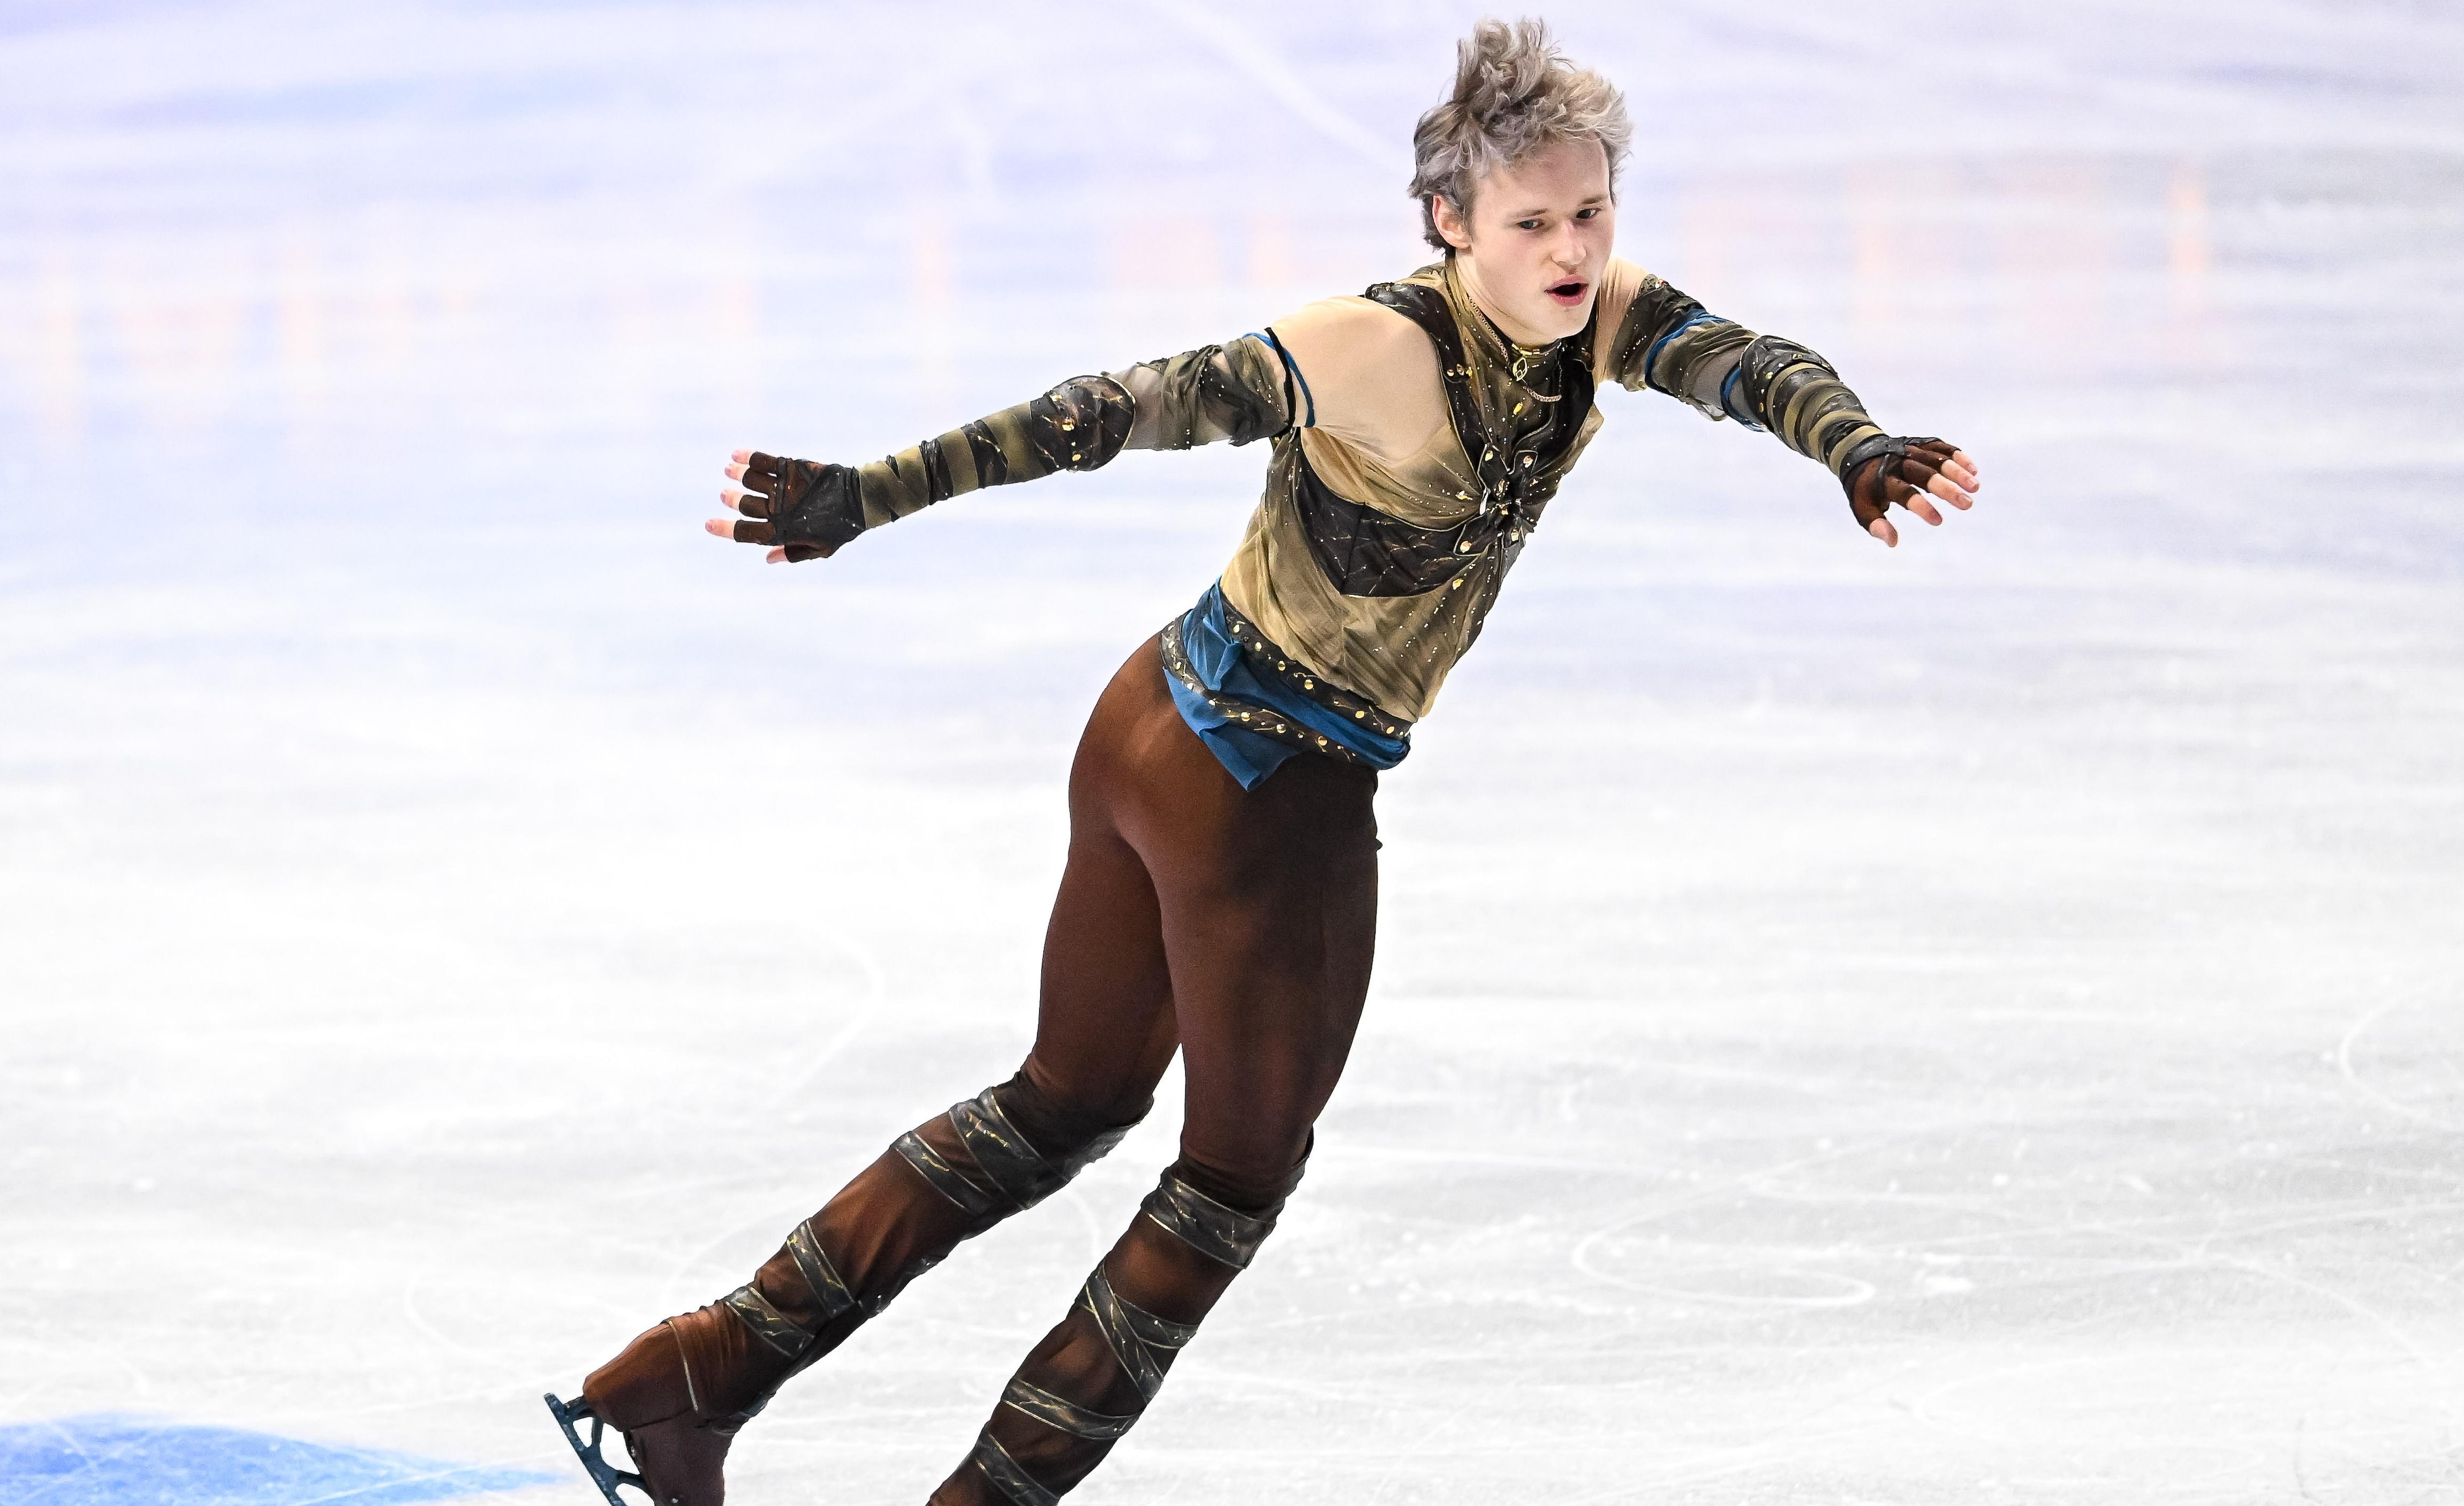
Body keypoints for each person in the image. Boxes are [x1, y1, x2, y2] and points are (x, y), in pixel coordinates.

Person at [547, 17, 1981, 1506]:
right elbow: (1109, 413)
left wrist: (1852, 443)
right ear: (1451, 221)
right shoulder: (1373, 344)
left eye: (1592, 212)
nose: (1571, 248)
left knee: (1065, 1098)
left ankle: (696, 1373)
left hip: (1156, 727)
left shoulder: (1597, 316)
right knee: (1232, 1181)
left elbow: (1743, 361)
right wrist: (873, 492)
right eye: (1532, 222)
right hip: (1262, 789)